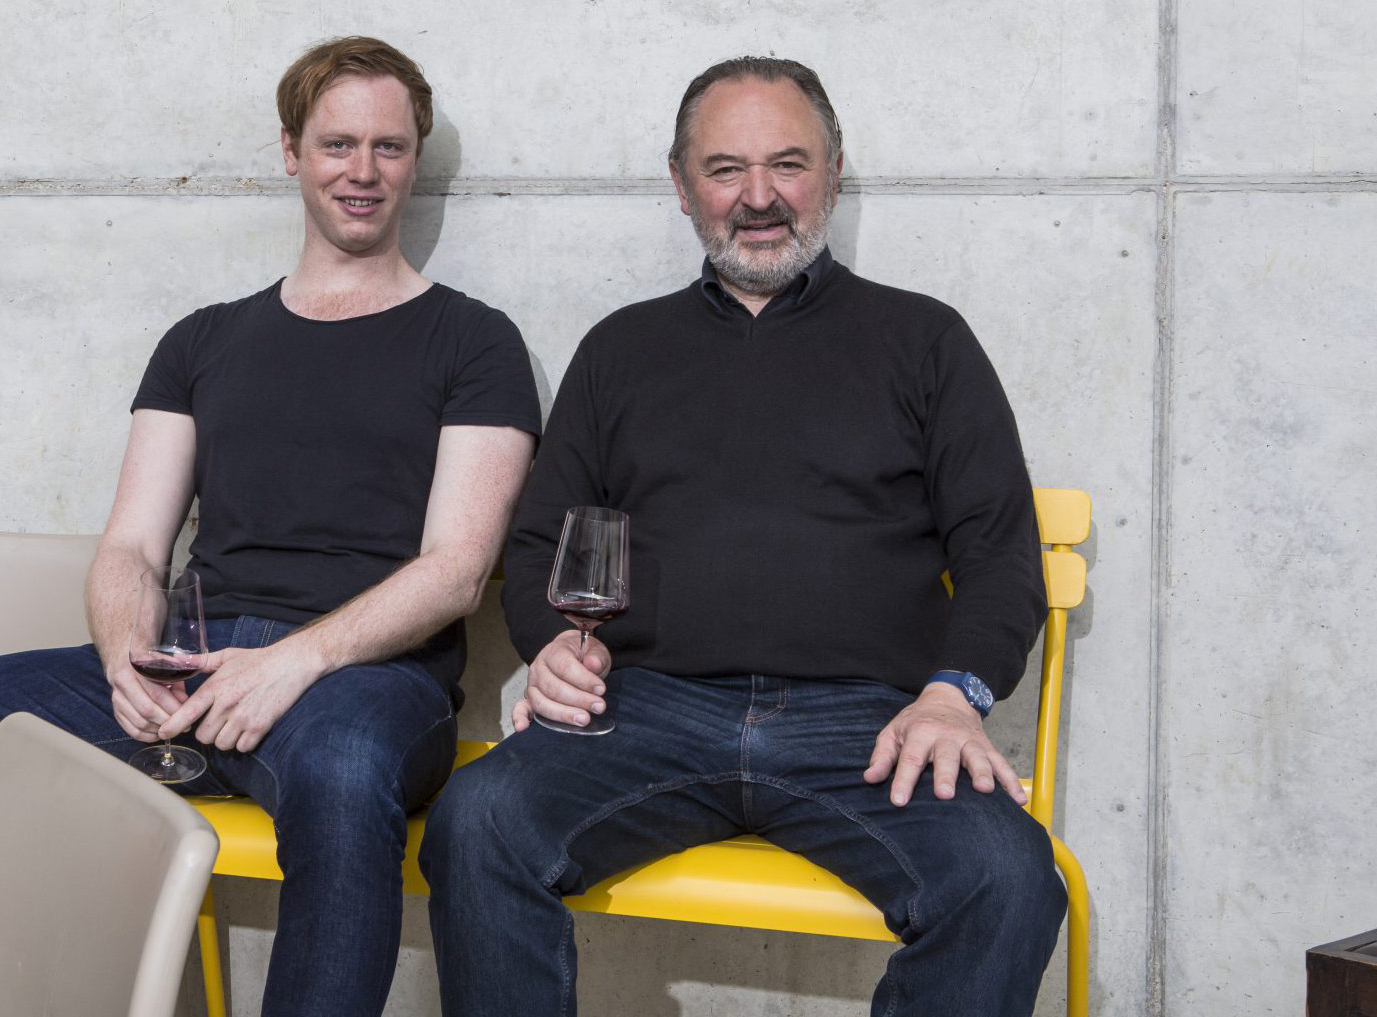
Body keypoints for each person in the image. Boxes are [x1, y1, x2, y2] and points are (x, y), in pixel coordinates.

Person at [0, 36, 539, 1017]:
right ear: (291, 153)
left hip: (360, 682)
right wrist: (131, 661)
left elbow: (454, 572)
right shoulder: (202, 341)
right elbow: (131, 545)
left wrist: (290, 664)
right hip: (180, 666)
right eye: (337, 144)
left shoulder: (474, 340)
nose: (362, 170)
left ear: (413, 159)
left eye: (388, 147)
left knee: (344, 780)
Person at [421, 56, 1064, 1017]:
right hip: (643, 715)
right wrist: (552, 643)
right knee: (474, 823)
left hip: (871, 727)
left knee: (1007, 877)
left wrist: (952, 695)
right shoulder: (621, 349)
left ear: (834, 173)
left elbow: (1001, 551)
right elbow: (536, 548)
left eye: (788, 164)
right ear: (682, 187)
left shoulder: (925, 340)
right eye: (725, 169)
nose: (758, 197)